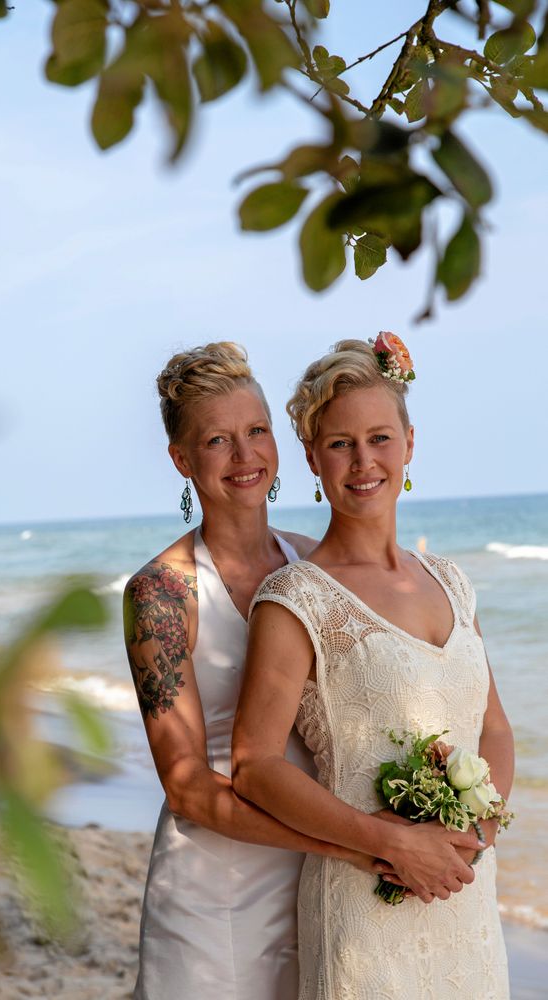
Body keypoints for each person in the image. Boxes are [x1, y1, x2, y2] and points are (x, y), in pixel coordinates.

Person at [232, 336, 513, 999]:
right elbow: (255, 766)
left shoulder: (452, 582)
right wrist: (391, 844)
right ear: (312, 458)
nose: (363, 462)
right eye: (340, 444)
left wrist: (477, 832)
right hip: (365, 906)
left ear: (409, 444)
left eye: (379, 438)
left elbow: (494, 730)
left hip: (465, 894)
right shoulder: (296, 598)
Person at [124, 342, 384, 1000]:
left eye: (257, 431)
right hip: (213, 895)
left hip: (317, 881)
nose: (244, 457)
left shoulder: (312, 567)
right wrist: (348, 844)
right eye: (217, 440)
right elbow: (187, 790)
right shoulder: (161, 593)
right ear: (182, 460)